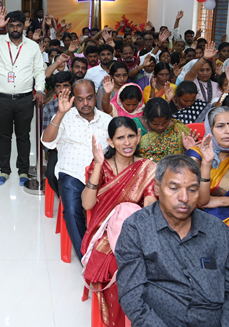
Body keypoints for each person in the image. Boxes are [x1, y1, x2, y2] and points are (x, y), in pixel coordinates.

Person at [115, 154, 229, 327]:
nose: (184, 198)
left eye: (192, 189)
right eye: (174, 188)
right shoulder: (137, 228)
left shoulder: (218, 231)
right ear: (156, 187)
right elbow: (132, 297)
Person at [81, 117, 157, 327]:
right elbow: (87, 205)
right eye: (120, 138)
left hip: (136, 229)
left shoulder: (147, 167)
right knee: (120, 266)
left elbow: (150, 205)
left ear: (138, 136)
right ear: (111, 141)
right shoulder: (102, 167)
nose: (127, 143)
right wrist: (97, 165)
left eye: (131, 136)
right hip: (103, 233)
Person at [0, 7, 46, 186]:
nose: (15, 29)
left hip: (25, 99)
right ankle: (4, 171)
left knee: (23, 136)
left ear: (23, 27)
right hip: (2, 99)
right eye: (11, 25)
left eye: (18, 25)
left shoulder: (32, 46)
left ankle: (23, 171)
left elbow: (39, 70)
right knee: (3, 136)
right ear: (7, 27)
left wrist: (41, 89)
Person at [42, 79, 112, 262]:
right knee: (72, 210)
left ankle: (111, 255)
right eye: (80, 99)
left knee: (115, 210)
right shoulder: (65, 117)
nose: (86, 103)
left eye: (89, 98)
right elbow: (47, 142)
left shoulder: (107, 120)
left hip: (102, 175)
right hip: (72, 173)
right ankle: (88, 260)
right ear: (73, 98)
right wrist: (60, 112)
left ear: (95, 96)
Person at [133, 98, 194, 162]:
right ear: (146, 118)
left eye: (164, 123)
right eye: (155, 124)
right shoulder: (135, 126)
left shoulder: (177, 128)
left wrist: (189, 149)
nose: (160, 127)